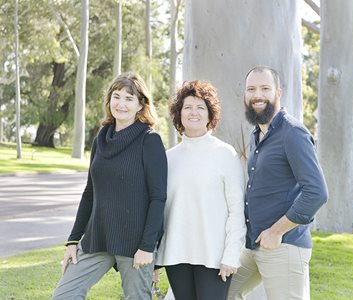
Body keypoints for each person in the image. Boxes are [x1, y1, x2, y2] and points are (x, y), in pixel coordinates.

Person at [52, 72, 167, 299]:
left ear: (140, 105)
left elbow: (158, 198)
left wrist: (147, 246)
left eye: (129, 98)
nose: (121, 103)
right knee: (64, 295)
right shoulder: (101, 138)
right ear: (109, 100)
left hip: (136, 244)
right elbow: (89, 193)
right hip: (98, 237)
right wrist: (73, 241)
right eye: (116, 96)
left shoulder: (150, 140)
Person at [227, 66, 328, 300]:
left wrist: (276, 231)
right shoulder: (257, 135)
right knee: (221, 293)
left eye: (265, 88)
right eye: (251, 89)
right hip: (254, 245)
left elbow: (317, 192)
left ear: (278, 93)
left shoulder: (293, 133)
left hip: (284, 245)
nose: (257, 95)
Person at [156, 80, 246, 300]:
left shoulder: (226, 154)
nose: (193, 112)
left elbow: (237, 210)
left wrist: (232, 255)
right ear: (179, 114)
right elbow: (160, 210)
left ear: (209, 115)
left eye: (200, 107)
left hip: (214, 257)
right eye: (187, 107)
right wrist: (155, 258)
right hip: (176, 254)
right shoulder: (168, 158)